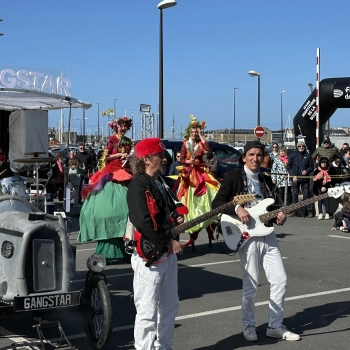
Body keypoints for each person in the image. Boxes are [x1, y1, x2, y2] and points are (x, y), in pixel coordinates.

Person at [212, 140, 300, 342]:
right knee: (251, 284)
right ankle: (249, 325)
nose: (255, 158)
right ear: (244, 157)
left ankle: (275, 325)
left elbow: (273, 207)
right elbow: (216, 203)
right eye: (251, 154)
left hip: (267, 235)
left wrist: (279, 217)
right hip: (247, 237)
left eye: (259, 155)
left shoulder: (266, 179)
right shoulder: (233, 177)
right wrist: (236, 208)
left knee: (280, 280)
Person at [126, 137, 184, 350]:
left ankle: (165, 346)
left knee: (170, 305)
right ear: (146, 160)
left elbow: (168, 210)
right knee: (147, 311)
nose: (164, 159)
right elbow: (141, 221)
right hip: (149, 254)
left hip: (166, 253)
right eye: (159, 155)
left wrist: (177, 216)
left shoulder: (161, 182)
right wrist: (168, 241)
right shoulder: (138, 185)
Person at [78, 117, 134, 263]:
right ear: (116, 127)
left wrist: (128, 156)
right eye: (121, 126)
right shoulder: (112, 139)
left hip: (125, 169)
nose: (123, 128)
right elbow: (106, 156)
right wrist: (119, 155)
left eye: (125, 126)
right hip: (112, 170)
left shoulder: (128, 141)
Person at [176, 115, 220, 247]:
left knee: (212, 191)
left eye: (196, 131)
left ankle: (208, 219)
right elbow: (182, 159)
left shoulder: (201, 143)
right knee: (186, 196)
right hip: (190, 173)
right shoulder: (185, 144)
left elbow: (207, 149)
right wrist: (187, 161)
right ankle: (191, 222)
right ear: (189, 133)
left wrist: (201, 135)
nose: (194, 133)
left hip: (201, 171)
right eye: (193, 132)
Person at [287, 141, 314, 218]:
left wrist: (307, 171)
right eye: (300, 146)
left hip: (305, 179)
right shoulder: (292, 155)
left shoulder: (308, 155)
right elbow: (289, 167)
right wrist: (293, 175)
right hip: (295, 178)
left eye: (303, 146)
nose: (301, 147)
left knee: (306, 195)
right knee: (294, 194)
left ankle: (309, 211)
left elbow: (311, 166)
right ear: (297, 147)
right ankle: (293, 211)